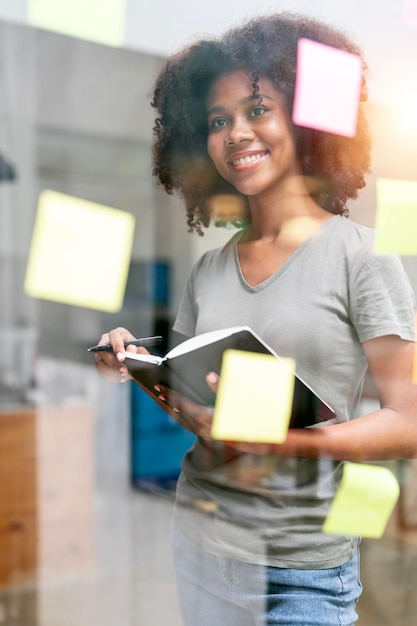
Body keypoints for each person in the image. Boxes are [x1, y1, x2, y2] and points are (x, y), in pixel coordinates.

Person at [93, 12, 417, 626]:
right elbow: (196, 401)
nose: (236, 133)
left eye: (257, 110)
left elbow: (409, 423)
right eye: (219, 121)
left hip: (299, 569)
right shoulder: (210, 269)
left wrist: (285, 440)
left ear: (301, 120)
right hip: (201, 540)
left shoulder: (362, 256)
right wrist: (137, 365)